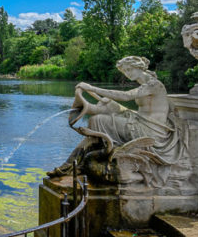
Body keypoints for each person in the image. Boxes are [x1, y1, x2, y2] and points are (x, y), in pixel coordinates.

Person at [48, 56, 188, 183]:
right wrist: (115, 107)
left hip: (151, 131)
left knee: (97, 121)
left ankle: (73, 165)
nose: (127, 73)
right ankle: (72, 165)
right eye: (124, 71)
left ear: (139, 67)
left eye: (129, 69)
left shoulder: (154, 85)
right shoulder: (145, 85)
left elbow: (126, 96)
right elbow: (141, 110)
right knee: (107, 109)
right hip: (141, 123)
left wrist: (91, 88)